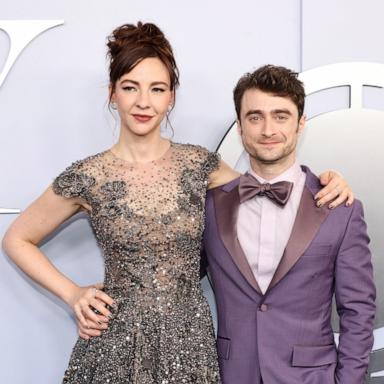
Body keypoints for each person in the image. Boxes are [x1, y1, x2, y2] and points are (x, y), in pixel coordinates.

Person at [2, 23, 353, 384]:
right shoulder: (89, 176)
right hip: (114, 342)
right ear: (112, 93)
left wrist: (326, 181)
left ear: (171, 96)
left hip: (189, 343)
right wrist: (73, 293)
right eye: (130, 88)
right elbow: (16, 238)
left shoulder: (201, 166)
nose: (143, 102)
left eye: (157, 89)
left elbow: (270, 188)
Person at [200, 65, 376, 384]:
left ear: (300, 124)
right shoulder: (209, 206)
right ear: (240, 127)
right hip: (231, 375)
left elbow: (358, 311)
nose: (268, 130)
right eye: (255, 117)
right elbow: (173, 276)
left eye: (281, 116)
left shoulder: (340, 209)